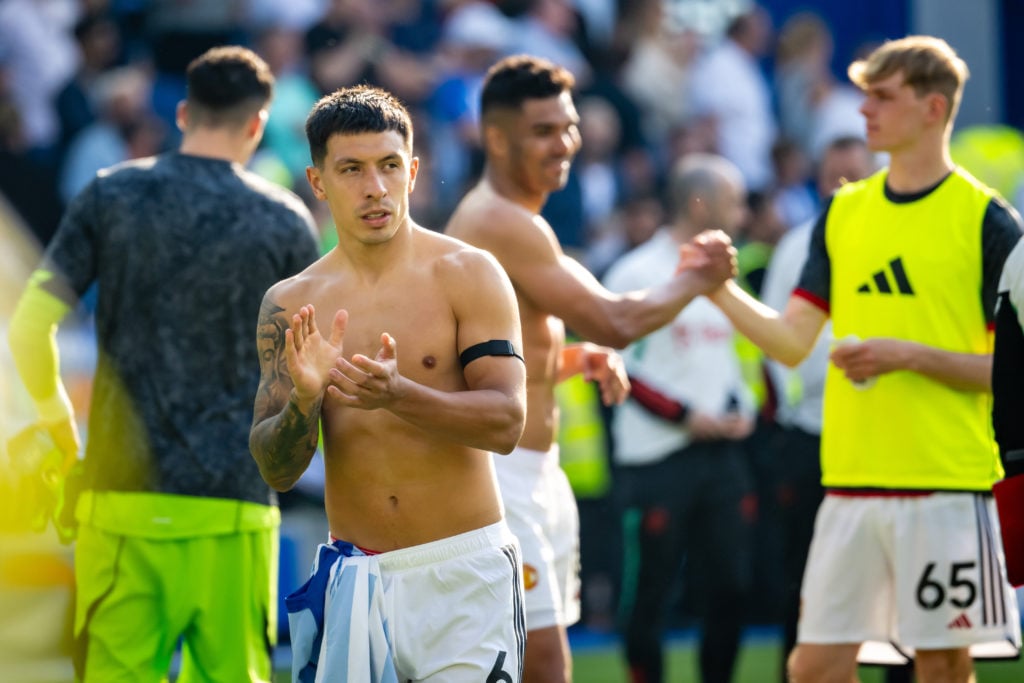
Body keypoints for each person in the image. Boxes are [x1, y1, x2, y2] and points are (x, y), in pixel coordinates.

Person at [703, 35, 1022, 682]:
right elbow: (792, 341)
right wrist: (719, 288)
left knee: (941, 666)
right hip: (848, 484)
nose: (864, 110)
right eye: (864, 95)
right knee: (813, 666)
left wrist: (908, 355)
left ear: (934, 108)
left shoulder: (989, 222)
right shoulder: (843, 214)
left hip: (947, 485)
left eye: (883, 96)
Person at [6, 46, 320, 682]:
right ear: (258, 125)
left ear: (182, 113)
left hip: (120, 501)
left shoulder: (110, 195)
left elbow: (30, 326)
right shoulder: (285, 219)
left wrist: (60, 425)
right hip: (235, 507)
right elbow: (299, 372)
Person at [445, 54, 736, 683]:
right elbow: (616, 319)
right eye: (544, 130)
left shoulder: (514, 219)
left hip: (530, 474)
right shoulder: (500, 220)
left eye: (569, 126)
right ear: (495, 137)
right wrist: (695, 278)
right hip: (503, 478)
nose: (566, 143)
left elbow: (498, 352)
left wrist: (573, 359)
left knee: (536, 660)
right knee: (537, 663)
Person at [248, 84, 528, 682]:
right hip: (356, 582)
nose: (375, 187)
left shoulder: (468, 273)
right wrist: (303, 399)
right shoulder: (290, 303)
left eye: (389, 166)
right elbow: (276, 469)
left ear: (414, 170)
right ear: (317, 181)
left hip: (464, 574)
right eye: (351, 169)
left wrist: (400, 395)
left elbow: (507, 422)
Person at [603, 153, 756, 683]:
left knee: (733, 588)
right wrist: (686, 416)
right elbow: (616, 364)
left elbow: (731, 365)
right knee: (651, 593)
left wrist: (740, 410)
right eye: (734, 201)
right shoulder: (638, 271)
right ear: (700, 203)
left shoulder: (723, 279)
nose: (743, 213)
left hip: (722, 458)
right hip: (656, 460)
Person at [758, 134, 875, 679]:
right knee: (802, 578)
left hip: (883, 433)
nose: (843, 185)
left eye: (854, 173)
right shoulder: (798, 244)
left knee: (890, 584)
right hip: (812, 437)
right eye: (835, 175)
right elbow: (778, 340)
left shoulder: (890, 234)